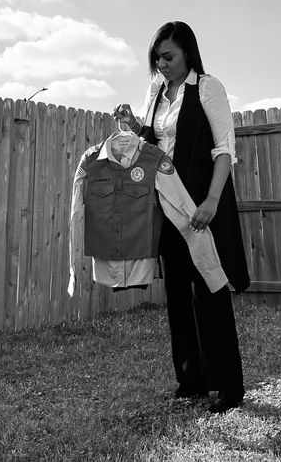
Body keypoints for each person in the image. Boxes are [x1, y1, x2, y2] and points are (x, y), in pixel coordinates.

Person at [113, 21, 250, 414]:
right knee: (177, 294)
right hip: (168, 205)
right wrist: (131, 125)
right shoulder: (156, 91)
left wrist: (211, 200)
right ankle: (190, 380)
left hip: (202, 207)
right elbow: (154, 145)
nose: (161, 64)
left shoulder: (208, 88)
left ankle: (228, 386)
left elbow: (224, 149)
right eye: (157, 58)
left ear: (187, 53)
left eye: (168, 56)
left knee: (210, 291)